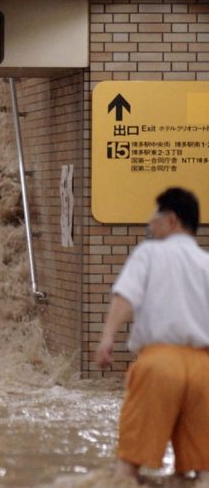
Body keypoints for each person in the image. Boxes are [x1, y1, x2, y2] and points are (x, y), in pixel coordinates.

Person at [95, 187, 209, 481]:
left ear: (171, 220)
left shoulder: (149, 253)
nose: (149, 221)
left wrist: (107, 337)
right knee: (198, 474)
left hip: (160, 364)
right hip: (203, 371)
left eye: (155, 215)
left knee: (127, 469)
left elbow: (125, 297)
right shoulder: (206, 263)